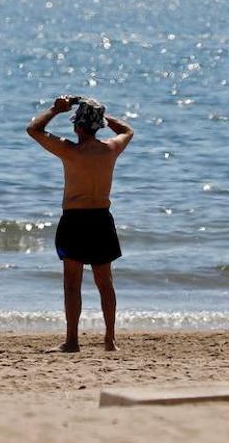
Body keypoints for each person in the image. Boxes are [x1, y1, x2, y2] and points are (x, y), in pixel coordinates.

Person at [27, 95, 134, 352]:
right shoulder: (111, 149)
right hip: (101, 220)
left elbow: (34, 129)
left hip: (75, 220)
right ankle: (110, 340)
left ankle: (73, 341)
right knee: (105, 282)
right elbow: (127, 130)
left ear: (77, 127)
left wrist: (56, 109)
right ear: (97, 126)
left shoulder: (69, 150)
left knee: (72, 283)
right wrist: (100, 114)